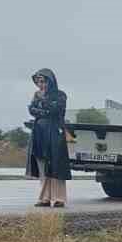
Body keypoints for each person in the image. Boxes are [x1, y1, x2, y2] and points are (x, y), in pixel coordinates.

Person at [26, 68, 71, 208]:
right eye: (38, 81)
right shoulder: (36, 94)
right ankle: (44, 198)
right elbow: (31, 110)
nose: (41, 84)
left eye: (43, 81)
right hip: (40, 132)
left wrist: (41, 108)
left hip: (55, 133)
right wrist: (43, 109)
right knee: (42, 164)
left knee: (56, 164)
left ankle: (59, 199)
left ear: (50, 81)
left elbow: (55, 109)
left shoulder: (60, 95)